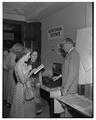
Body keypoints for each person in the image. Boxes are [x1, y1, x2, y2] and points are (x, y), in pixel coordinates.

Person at [9, 50, 41, 118]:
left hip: (27, 86)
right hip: (21, 88)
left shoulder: (24, 63)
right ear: (23, 55)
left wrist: (31, 72)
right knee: (21, 108)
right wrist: (29, 70)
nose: (29, 57)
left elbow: (27, 76)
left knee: (27, 108)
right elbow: (23, 81)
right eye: (29, 55)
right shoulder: (18, 65)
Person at [53, 38, 80, 117]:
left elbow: (73, 73)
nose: (62, 48)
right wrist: (59, 76)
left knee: (68, 113)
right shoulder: (69, 54)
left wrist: (66, 88)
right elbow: (68, 70)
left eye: (63, 45)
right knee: (65, 111)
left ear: (68, 44)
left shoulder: (74, 54)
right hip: (66, 87)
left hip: (69, 89)